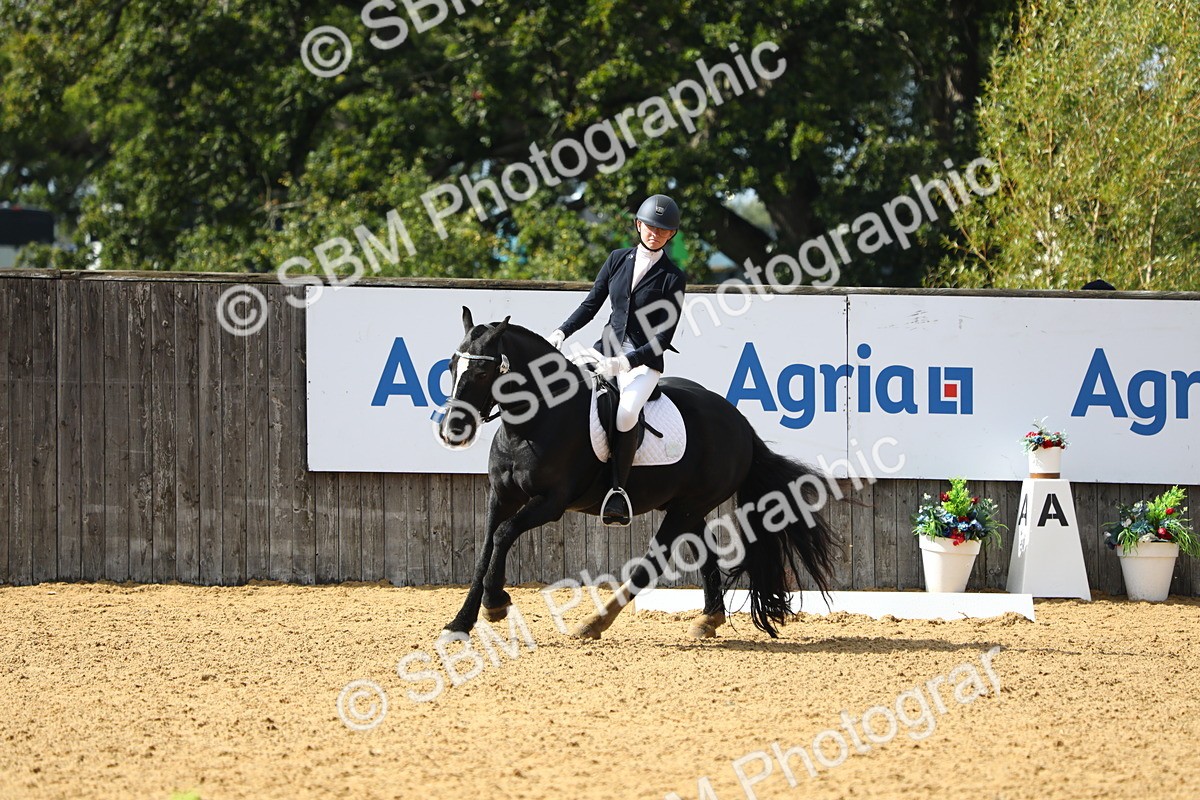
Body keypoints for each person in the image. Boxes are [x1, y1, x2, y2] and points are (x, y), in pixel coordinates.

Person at [547, 194, 687, 526]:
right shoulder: (617, 259)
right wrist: (561, 332)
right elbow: (592, 303)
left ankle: (617, 492)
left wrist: (624, 364)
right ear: (639, 225)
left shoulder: (673, 277)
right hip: (604, 347)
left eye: (662, 230)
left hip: (642, 362)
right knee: (570, 394)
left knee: (625, 415)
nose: (654, 233)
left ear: (671, 235)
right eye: (649, 226)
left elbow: (662, 339)